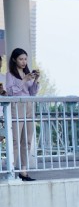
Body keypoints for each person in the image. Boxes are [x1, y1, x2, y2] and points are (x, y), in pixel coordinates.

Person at [6, 48, 40, 181]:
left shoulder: (28, 74)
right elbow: (10, 92)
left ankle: (24, 171)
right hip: (17, 107)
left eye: (25, 59)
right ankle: (12, 170)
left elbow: (32, 92)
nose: (24, 62)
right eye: (21, 59)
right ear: (14, 59)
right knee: (15, 141)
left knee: (27, 140)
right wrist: (24, 80)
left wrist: (35, 80)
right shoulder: (10, 75)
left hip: (29, 106)